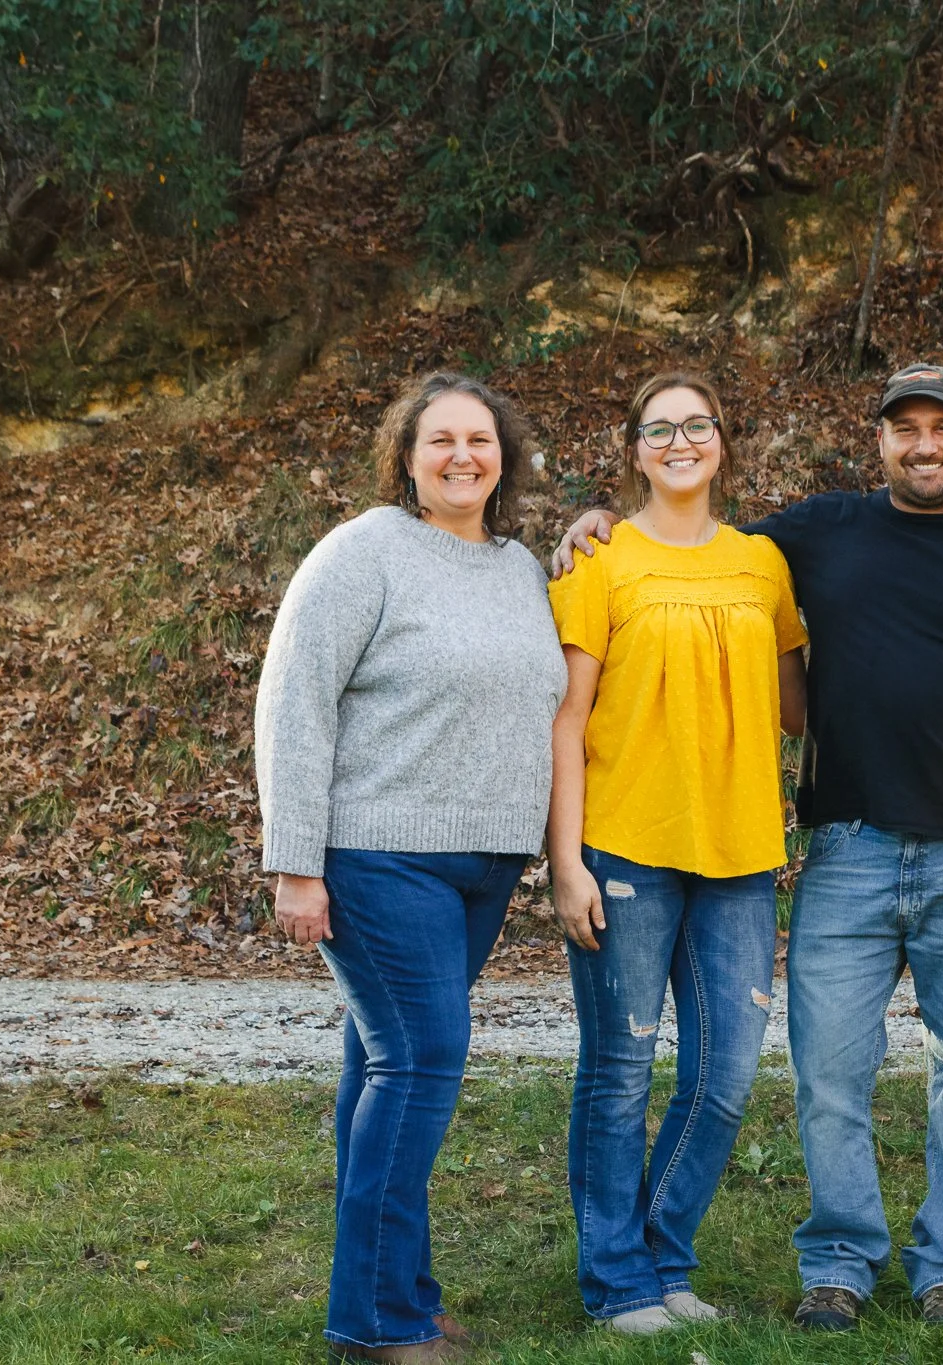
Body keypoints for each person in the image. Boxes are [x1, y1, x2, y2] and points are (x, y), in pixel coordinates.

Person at [552, 362, 943, 1335]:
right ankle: (833, 1264)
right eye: (903, 428)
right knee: (823, 1074)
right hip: (841, 851)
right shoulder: (814, 534)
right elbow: (679, 535)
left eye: (942, 426)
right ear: (877, 439)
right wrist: (593, 516)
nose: (922, 444)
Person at [256, 371, 567, 1363]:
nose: (462, 456)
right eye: (440, 441)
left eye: (479, 440)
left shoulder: (520, 567)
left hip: (483, 866)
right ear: (406, 456)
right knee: (421, 1060)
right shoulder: (363, 552)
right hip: (379, 854)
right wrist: (293, 865)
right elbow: (294, 703)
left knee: (380, 1067)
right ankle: (384, 1322)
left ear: (503, 458)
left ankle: (387, 1300)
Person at [546, 372, 809, 1335]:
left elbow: (797, 705)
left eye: (697, 424)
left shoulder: (762, 563)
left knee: (723, 1074)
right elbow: (567, 720)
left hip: (740, 851)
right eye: (660, 429)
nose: (681, 440)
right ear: (636, 450)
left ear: (724, 442)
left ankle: (663, 1254)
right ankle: (618, 1280)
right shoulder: (600, 562)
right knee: (619, 1067)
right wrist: (564, 861)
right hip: (624, 844)